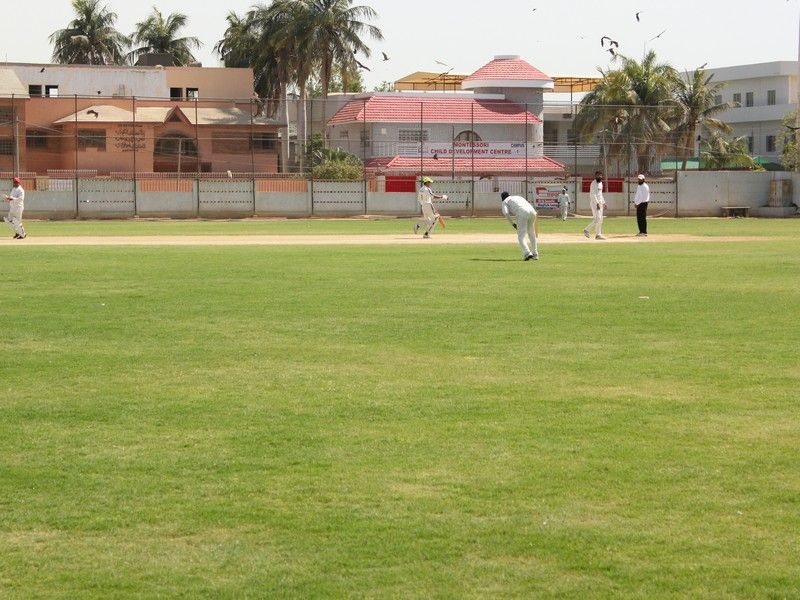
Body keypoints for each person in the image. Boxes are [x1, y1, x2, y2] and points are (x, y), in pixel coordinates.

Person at [500, 191, 538, 261]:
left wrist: (513, 223)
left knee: (521, 236)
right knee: (531, 233)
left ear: (502, 198)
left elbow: (506, 213)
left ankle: (527, 253)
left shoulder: (505, 201)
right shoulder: (517, 197)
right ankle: (535, 254)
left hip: (522, 212)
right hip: (532, 212)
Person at [583, 171, 606, 240]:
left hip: (600, 203)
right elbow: (593, 194)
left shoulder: (601, 183)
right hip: (594, 203)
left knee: (600, 219)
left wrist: (604, 202)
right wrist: (597, 203)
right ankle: (586, 230)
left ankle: (598, 235)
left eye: (601, 175)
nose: (600, 177)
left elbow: (600, 194)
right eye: (598, 175)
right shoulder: (593, 183)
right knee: (597, 218)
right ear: (595, 176)